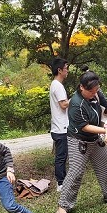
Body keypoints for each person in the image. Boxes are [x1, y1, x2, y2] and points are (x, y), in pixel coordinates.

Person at [56, 70, 107, 213]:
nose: (94, 94)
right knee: (76, 172)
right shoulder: (75, 104)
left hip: (95, 138)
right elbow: (84, 127)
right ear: (82, 87)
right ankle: (63, 207)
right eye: (91, 92)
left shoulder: (96, 92)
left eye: (96, 90)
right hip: (78, 140)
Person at [49, 58, 70, 192]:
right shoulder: (57, 85)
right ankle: (60, 183)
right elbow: (63, 105)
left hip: (58, 126)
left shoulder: (55, 84)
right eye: (66, 68)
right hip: (60, 127)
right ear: (59, 70)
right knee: (61, 157)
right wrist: (75, 98)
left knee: (62, 156)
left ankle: (63, 180)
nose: (67, 71)